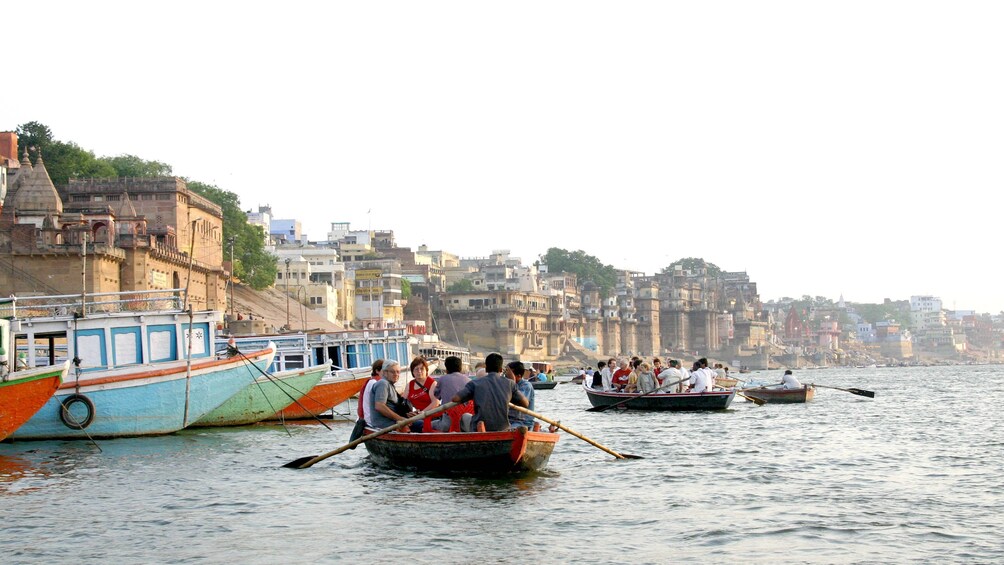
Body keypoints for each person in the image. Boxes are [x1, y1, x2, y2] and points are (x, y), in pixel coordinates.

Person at [451, 353, 528, 432]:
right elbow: (525, 403)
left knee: (464, 416)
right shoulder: (510, 384)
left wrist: (472, 394)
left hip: (479, 428)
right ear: (501, 369)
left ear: (486, 369)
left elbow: (455, 399)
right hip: (503, 429)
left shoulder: (475, 383)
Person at [366, 360, 412, 431]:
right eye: (392, 372)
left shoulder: (390, 385)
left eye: (398, 372)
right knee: (421, 425)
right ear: (384, 373)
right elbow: (379, 406)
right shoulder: (383, 384)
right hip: (385, 425)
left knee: (423, 423)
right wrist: (400, 419)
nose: (396, 374)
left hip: (394, 422)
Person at [434, 356, 474, 431]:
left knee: (425, 424)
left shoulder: (443, 379)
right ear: (460, 368)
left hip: (448, 421)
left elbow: (436, 395)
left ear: (446, 369)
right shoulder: (469, 380)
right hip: (466, 420)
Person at [406, 356, 439, 432]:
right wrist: (408, 413)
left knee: (416, 425)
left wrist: (421, 413)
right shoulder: (410, 385)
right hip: (418, 415)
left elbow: (436, 402)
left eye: (422, 369)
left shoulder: (432, 383)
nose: (419, 371)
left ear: (426, 370)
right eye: (416, 369)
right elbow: (404, 402)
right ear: (413, 372)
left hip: (431, 415)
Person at [505, 361, 537, 430]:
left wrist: (512, 382)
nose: (506, 377)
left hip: (523, 422)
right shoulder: (506, 384)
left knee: (510, 430)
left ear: (519, 376)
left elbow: (520, 401)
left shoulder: (526, 385)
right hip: (509, 420)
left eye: (509, 374)